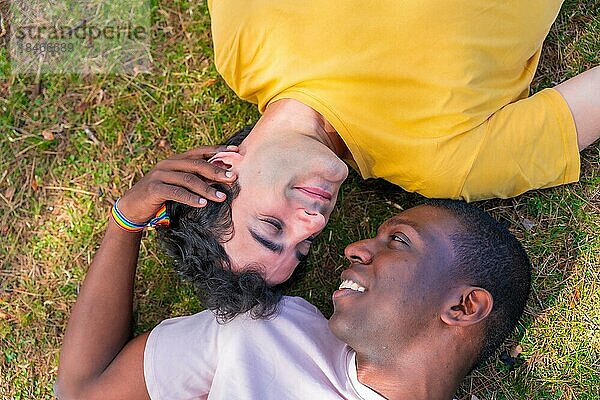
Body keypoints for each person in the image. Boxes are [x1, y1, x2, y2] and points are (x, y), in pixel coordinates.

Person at [117, 0, 599, 318]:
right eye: (301, 247)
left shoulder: (242, 50)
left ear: (224, 168)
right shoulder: (447, 163)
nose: (310, 225)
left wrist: (125, 219)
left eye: (271, 227)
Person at [55, 199, 532, 399]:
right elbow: (84, 392)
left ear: (464, 307)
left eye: (400, 241)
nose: (354, 248)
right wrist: (126, 221)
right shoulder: (267, 328)